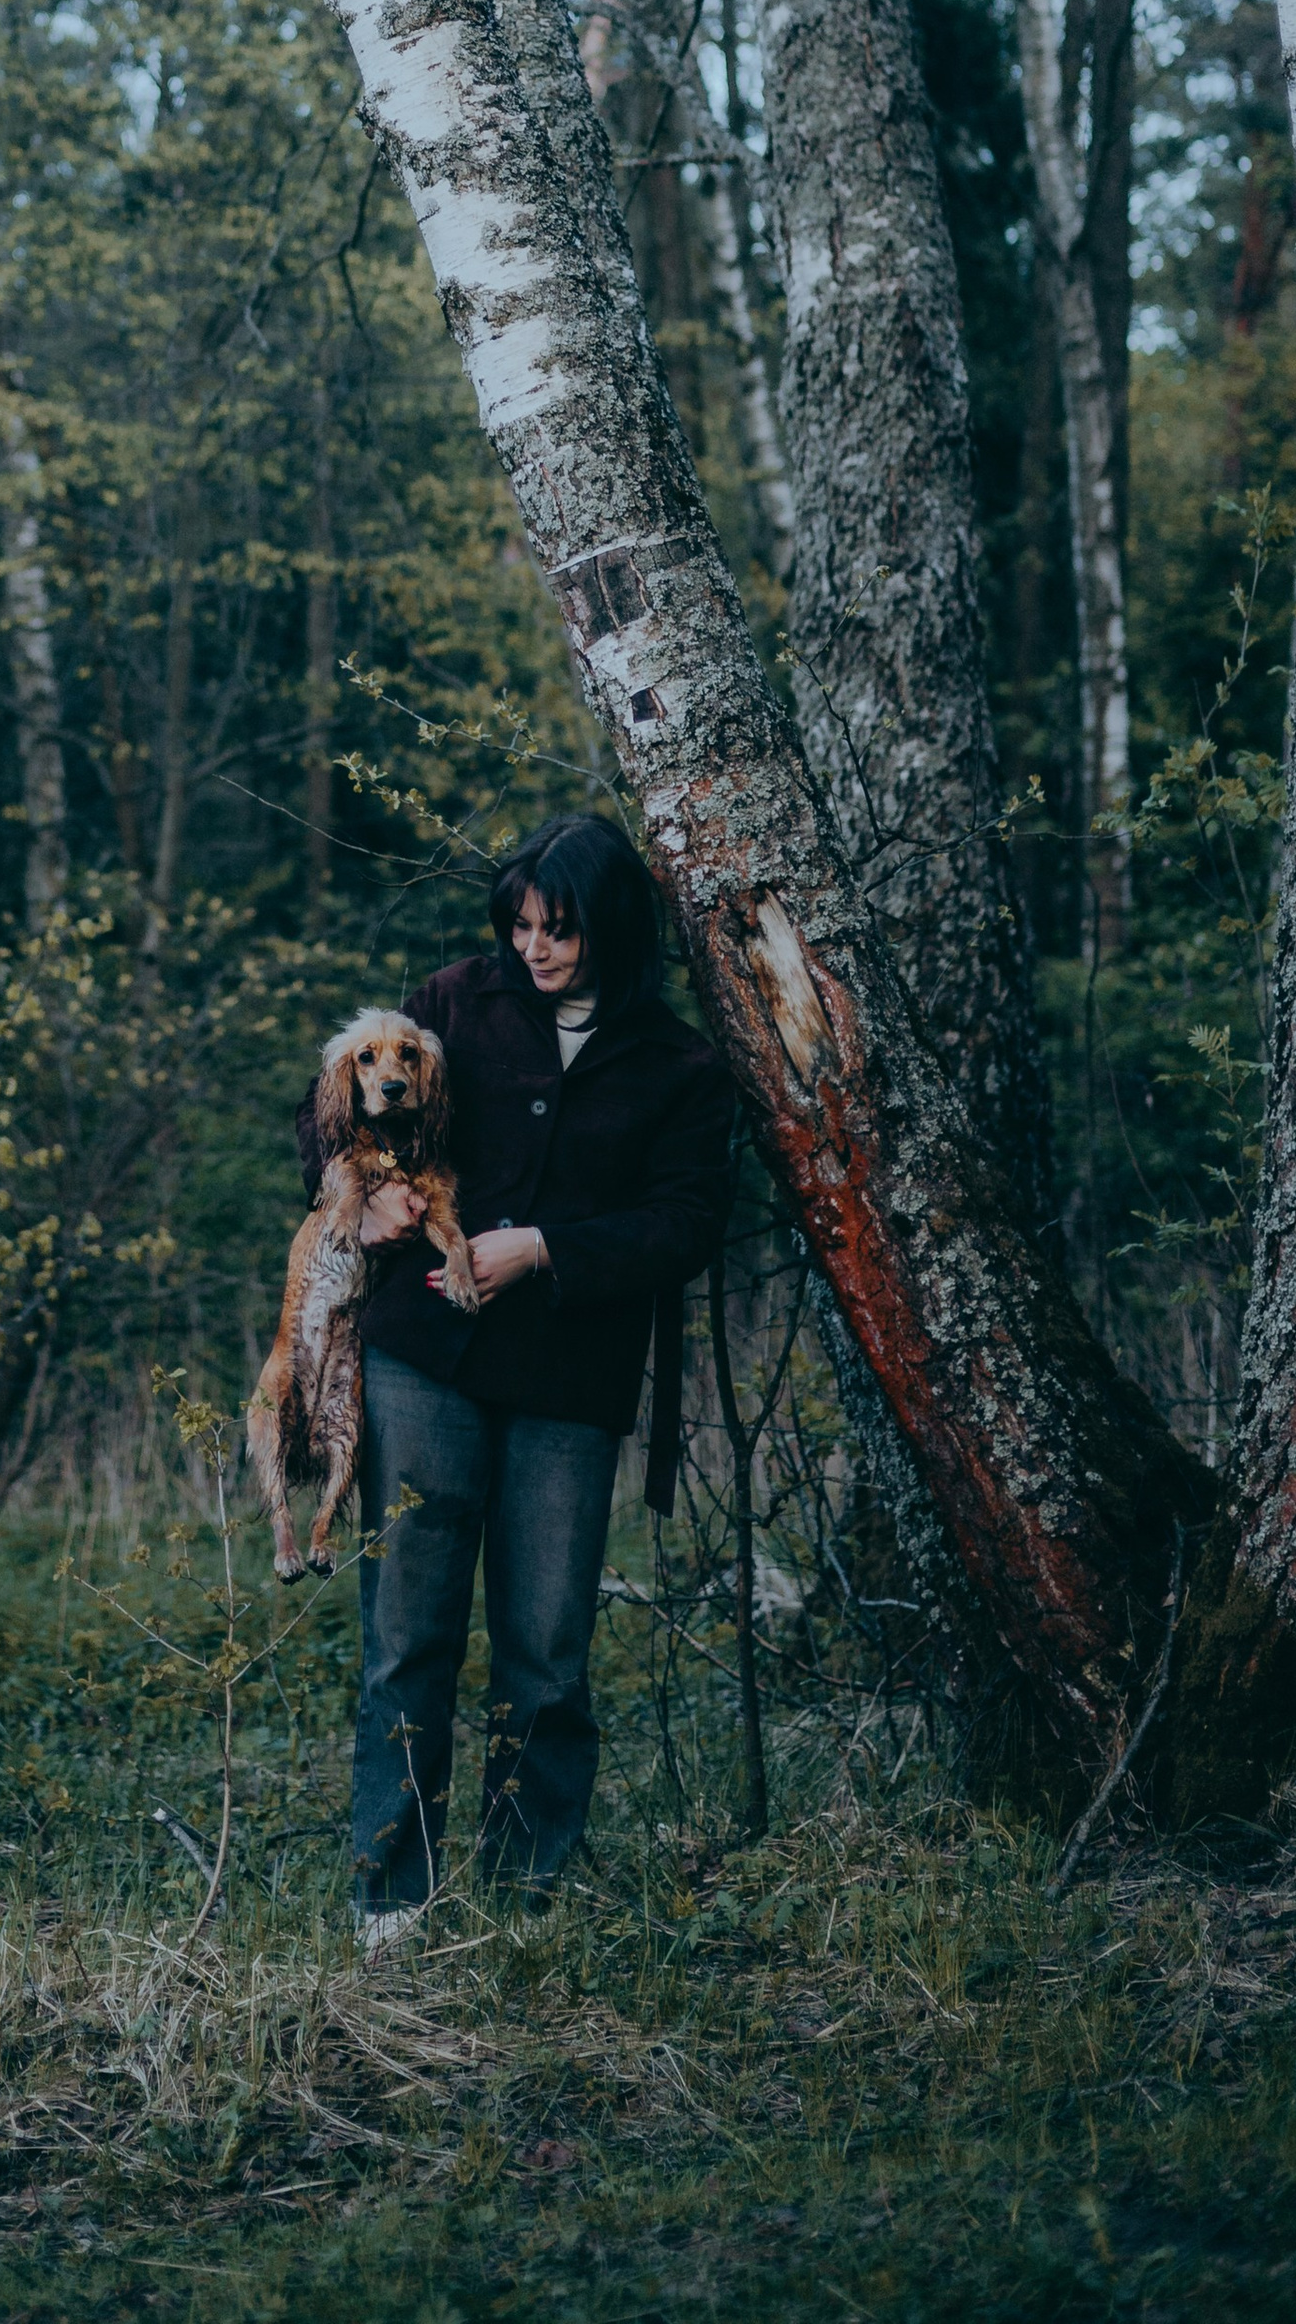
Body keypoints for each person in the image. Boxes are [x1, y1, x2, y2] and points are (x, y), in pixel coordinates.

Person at [296, 813, 732, 1947]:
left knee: (545, 1653)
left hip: (569, 1383)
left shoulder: (678, 1063)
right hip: (422, 1362)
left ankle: (524, 1899)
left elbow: (688, 1222)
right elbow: (326, 1113)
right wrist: (363, 1197)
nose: (533, 949)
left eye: (560, 930)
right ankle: (391, 1897)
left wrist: (544, 1249)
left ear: (612, 928)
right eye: (522, 925)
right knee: (408, 1635)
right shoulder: (452, 1001)